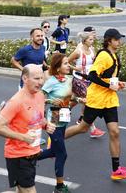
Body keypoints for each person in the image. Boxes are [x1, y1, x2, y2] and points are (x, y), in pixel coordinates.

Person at [65, 28, 126, 180]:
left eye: (119, 39)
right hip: (96, 99)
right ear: (109, 40)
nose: (119, 41)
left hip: (109, 100)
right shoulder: (104, 55)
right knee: (82, 128)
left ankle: (116, 170)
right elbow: (92, 76)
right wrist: (109, 85)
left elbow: (108, 77)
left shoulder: (114, 55)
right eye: (117, 39)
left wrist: (117, 83)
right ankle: (56, 139)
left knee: (115, 132)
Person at [0, 64, 56, 193]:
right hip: (18, 156)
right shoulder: (17, 101)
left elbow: (36, 118)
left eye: (42, 78)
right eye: (36, 79)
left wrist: (46, 125)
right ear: (25, 79)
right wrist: (23, 137)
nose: (41, 82)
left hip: (32, 153)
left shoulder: (40, 95)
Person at [37, 53, 84, 193]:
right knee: (62, 154)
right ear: (57, 68)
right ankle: (59, 186)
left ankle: (29, 157)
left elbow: (71, 97)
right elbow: (39, 99)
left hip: (63, 119)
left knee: (53, 151)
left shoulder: (69, 79)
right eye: (65, 64)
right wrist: (51, 101)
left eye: (68, 63)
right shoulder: (51, 82)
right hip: (53, 123)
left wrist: (80, 100)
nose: (68, 66)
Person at [68, 31, 105, 138]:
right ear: (84, 41)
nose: (92, 41)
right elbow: (66, 61)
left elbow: (94, 63)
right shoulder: (78, 52)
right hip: (79, 79)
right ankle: (92, 129)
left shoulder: (92, 50)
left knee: (75, 98)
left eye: (92, 39)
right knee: (88, 100)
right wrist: (75, 68)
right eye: (90, 39)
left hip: (89, 79)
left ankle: (64, 109)